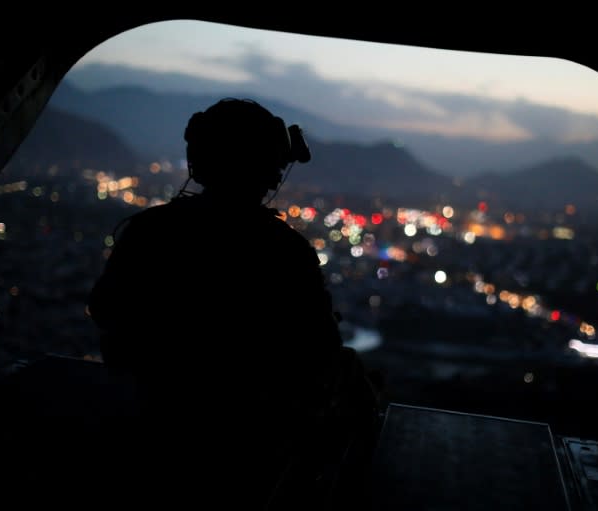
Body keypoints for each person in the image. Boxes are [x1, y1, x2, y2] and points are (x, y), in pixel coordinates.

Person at [87, 98, 380, 507]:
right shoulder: (284, 251)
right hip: (250, 446)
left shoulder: (148, 232)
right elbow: (321, 350)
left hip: (149, 424)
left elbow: (106, 311)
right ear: (269, 172)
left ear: (199, 161)